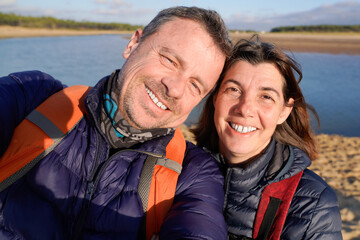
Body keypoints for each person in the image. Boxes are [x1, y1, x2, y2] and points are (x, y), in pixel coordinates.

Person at [0, 6, 233, 240]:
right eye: (170, 60)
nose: (175, 88)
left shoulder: (192, 172)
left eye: (195, 85)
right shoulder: (34, 97)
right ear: (133, 44)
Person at [193, 35, 343, 239]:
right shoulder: (180, 171)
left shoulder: (313, 204)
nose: (245, 109)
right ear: (215, 99)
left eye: (266, 97)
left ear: (284, 111)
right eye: (234, 90)